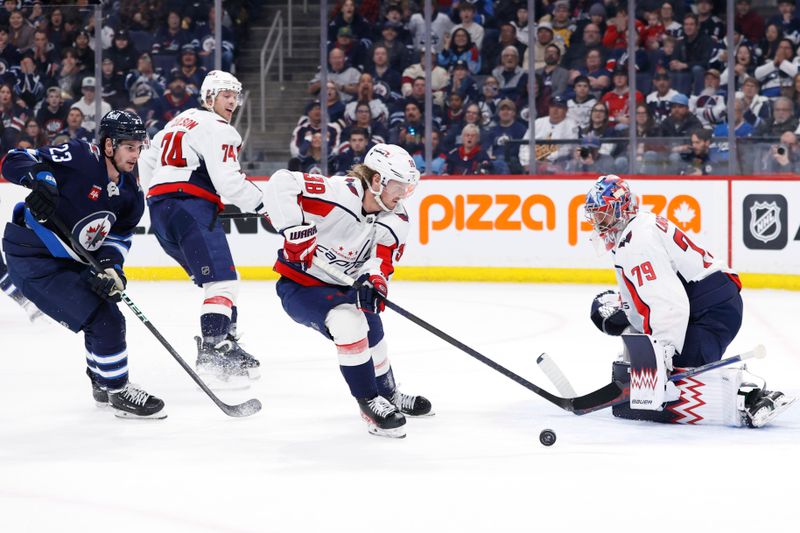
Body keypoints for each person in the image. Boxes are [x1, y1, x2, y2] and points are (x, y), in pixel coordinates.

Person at [585, 175, 794, 428]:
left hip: (710, 312)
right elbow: (650, 297)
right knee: (650, 379)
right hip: (709, 304)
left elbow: (667, 303)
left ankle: (752, 397)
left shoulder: (637, 243)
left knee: (674, 384)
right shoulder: (637, 228)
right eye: (595, 215)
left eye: (603, 214)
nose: (598, 222)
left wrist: (662, 357)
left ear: (622, 208)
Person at [1, 109, 166, 418]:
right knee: (106, 319)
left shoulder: (131, 194)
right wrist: (41, 178)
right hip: (32, 257)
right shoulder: (78, 155)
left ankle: (103, 384)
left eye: (139, 147)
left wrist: (111, 269)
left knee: (103, 308)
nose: (136, 154)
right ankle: (118, 391)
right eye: (129, 146)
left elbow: (117, 239)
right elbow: (13, 159)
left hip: (71, 261)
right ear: (108, 145)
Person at [262, 143, 431, 438]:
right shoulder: (336, 194)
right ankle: (369, 404)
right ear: (377, 180)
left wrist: (375, 282)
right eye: (399, 186)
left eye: (408, 188)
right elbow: (280, 182)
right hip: (302, 285)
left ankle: (389, 395)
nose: (404, 195)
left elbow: (381, 262)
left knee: (374, 331)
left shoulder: (396, 218)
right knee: (350, 323)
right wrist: (292, 228)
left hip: (345, 284)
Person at [138, 70, 265, 385]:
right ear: (209, 98)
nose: (233, 102)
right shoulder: (219, 128)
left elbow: (146, 160)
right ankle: (213, 349)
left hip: (161, 211)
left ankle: (226, 341)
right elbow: (229, 182)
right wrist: (264, 205)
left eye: (235, 96)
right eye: (226, 95)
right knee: (222, 283)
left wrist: (158, 192)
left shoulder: (177, 122)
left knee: (221, 282)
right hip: (189, 208)